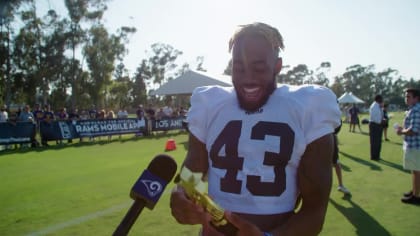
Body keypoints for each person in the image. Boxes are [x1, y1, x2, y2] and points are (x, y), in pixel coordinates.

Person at [170, 22, 341, 236]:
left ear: (277, 66)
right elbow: (191, 175)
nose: (248, 78)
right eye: (239, 67)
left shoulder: (309, 106)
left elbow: (315, 211)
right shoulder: (210, 103)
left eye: (259, 68)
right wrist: (181, 194)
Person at [396, 88, 420, 205]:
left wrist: (402, 131)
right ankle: (415, 190)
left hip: (415, 145)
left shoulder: (416, 110)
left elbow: (414, 130)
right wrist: (403, 130)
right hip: (413, 145)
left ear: (416, 98)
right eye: (406, 96)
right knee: (415, 170)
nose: (406, 98)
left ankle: (416, 196)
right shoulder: (413, 109)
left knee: (416, 171)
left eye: (409, 97)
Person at [333, 121, 351, 194]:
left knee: (336, 163)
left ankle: (341, 185)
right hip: (317, 140)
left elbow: (338, 123)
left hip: (329, 138)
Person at [369, 95, 384, 161]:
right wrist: (380, 121)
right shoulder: (374, 106)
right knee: (374, 142)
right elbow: (374, 117)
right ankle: (374, 156)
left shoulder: (378, 106)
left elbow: (380, 115)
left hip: (378, 124)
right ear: (378, 99)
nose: (382, 100)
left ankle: (377, 155)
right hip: (375, 125)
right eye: (381, 99)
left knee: (378, 141)